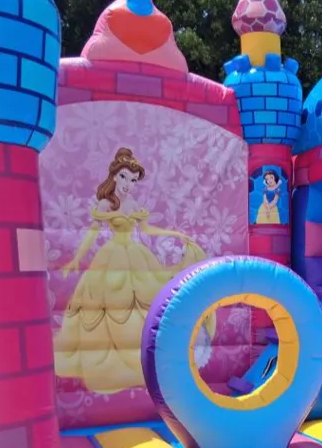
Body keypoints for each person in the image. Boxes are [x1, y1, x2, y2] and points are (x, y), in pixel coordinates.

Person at [54, 148, 214, 394]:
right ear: (114, 176)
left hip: (137, 255)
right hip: (113, 256)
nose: (128, 184)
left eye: (133, 180)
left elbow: (147, 230)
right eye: (124, 177)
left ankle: (150, 356)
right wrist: (76, 259)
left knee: (148, 302)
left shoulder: (133, 204)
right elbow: (93, 232)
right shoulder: (107, 203)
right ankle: (113, 362)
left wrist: (176, 234)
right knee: (108, 304)